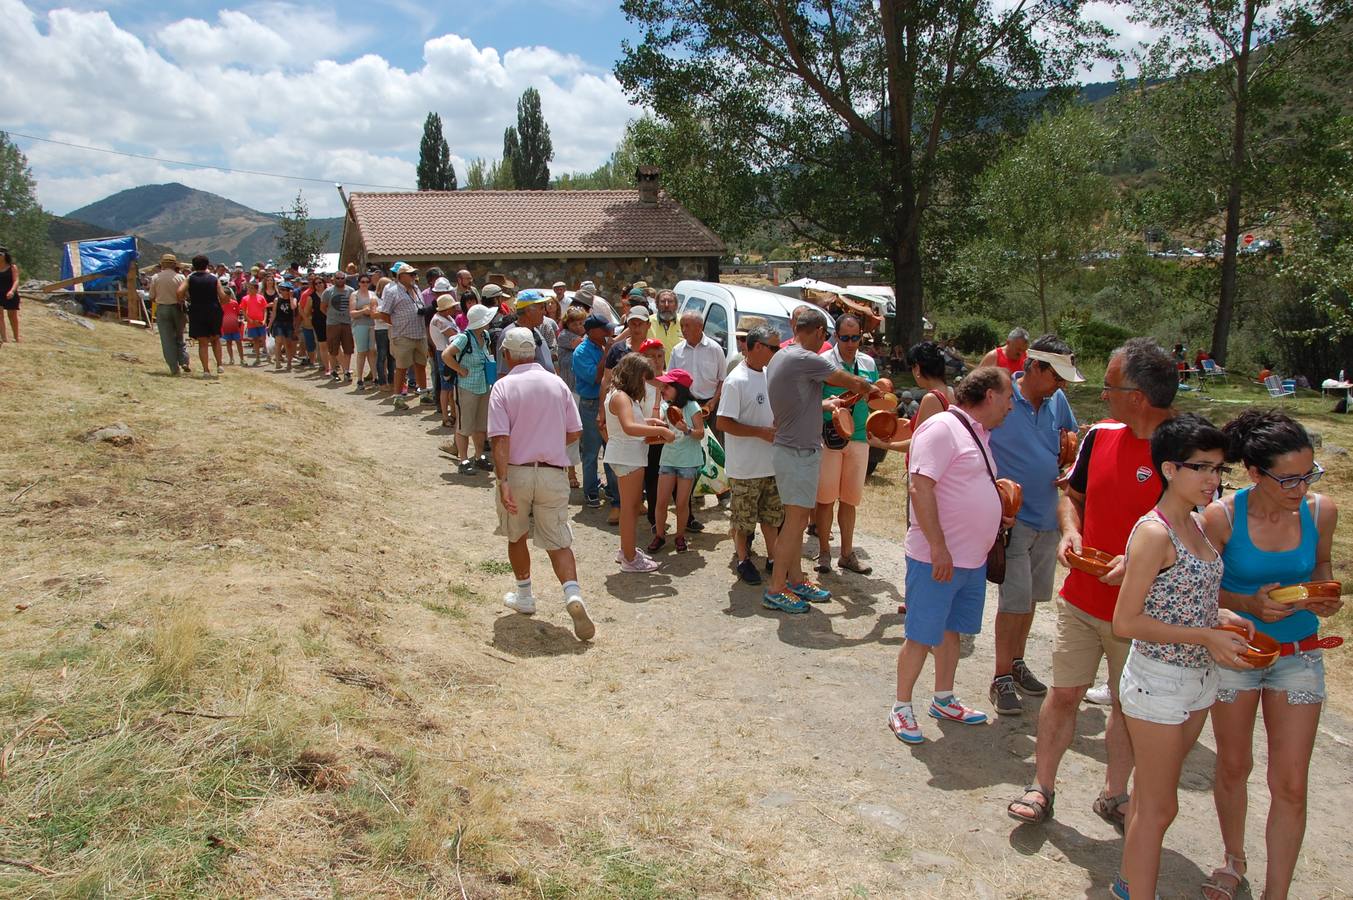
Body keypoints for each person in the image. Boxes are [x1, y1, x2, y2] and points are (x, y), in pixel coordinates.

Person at [1006, 337, 1178, 830]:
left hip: (1145, 613)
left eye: (1110, 386)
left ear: (1139, 396)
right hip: (1082, 599)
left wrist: (1143, 562)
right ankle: (1042, 787)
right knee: (1064, 695)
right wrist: (1071, 530)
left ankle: (1115, 795)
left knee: (1127, 706)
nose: (1103, 395)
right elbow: (1072, 496)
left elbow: (1202, 532)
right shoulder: (1100, 437)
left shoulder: (1186, 449)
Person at [1110, 414, 1256, 900]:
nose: (1213, 480)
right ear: (1169, 469)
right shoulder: (1154, 534)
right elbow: (1125, 622)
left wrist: (1222, 619)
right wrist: (1205, 635)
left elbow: (1179, 599)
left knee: (1153, 803)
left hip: (1196, 678)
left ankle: (1129, 885)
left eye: (1218, 469)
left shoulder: (1195, 522)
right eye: (1202, 468)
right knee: (1158, 807)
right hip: (1159, 682)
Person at [1199, 410, 1342, 900]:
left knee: (1291, 784)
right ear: (1255, 473)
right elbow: (1196, 593)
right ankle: (1233, 861)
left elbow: (1320, 565)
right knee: (1234, 766)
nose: (1301, 488)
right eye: (1289, 479)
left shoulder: (1322, 511)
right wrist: (1245, 603)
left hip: (1299, 656)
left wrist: (1324, 594)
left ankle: (1275, 893)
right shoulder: (1220, 518)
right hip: (1236, 655)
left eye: (1309, 475)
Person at [889, 367, 1014, 744]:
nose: (1011, 406)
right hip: (936, 557)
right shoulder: (943, 427)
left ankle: (943, 697)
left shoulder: (977, 434)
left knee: (950, 631)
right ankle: (901, 706)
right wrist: (939, 546)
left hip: (970, 559)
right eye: (1008, 397)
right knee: (920, 634)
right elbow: (919, 486)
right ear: (990, 395)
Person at [986, 336, 1083, 715]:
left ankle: (1017, 661)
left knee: (1029, 600)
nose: (1062, 385)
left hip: (1048, 517)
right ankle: (1001, 677)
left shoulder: (1058, 401)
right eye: (1057, 376)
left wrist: (1070, 467)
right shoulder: (1001, 394)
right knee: (1013, 602)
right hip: (1014, 520)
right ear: (1036, 368)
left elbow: (1070, 440)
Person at [763, 307, 876, 613]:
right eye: (825, 336)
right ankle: (776, 588)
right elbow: (850, 380)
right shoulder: (805, 358)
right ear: (817, 333)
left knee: (797, 522)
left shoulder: (782, 357)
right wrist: (871, 387)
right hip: (797, 452)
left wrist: (826, 404)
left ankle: (797, 579)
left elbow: (799, 400)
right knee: (795, 522)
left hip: (794, 449)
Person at [489, 326, 594, 641]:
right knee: (559, 541)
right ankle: (573, 594)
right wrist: (549, 443)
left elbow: (500, 440)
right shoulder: (557, 383)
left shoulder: (503, 386)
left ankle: (525, 595)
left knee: (516, 532)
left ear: (506, 355)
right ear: (535, 352)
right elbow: (575, 432)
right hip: (552, 471)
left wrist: (503, 479)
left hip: (517, 471)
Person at [717, 324, 783, 586]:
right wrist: (759, 432)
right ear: (757, 347)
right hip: (745, 468)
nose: (777, 352)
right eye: (774, 348)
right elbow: (723, 422)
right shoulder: (737, 380)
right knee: (743, 521)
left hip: (770, 464)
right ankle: (743, 560)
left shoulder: (769, 375)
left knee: (771, 516)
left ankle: (773, 558)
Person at [814, 314, 879, 576]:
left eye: (855, 338)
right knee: (826, 498)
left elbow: (874, 399)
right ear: (836, 336)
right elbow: (813, 399)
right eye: (845, 338)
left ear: (861, 335)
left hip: (860, 437)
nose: (851, 343)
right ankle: (824, 553)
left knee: (850, 499)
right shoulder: (824, 362)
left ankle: (847, 553)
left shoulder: (868, 362)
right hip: (831, 436)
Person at [605, 353, 674, 573]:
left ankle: (626, 550)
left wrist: (650, 422)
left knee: (632, 507)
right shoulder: (621, 397)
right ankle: (629, 557)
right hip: (627, 456)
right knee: (630, 508)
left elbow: (631, 422)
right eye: (643, 379)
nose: (644, 384)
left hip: (629, 455)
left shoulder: (621, 395)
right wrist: (660, 429)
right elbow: (628, 427)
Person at [648, 369, 705, 554]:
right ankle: (659, 535)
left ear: (678, 388)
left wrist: (686, 429)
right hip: (669, 459)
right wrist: (658, 398)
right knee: (661, 501)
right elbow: (658, 424)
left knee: (681, 503)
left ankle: (680, 536)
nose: (663, 388)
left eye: (667, 386)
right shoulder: (666, 406)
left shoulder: (693, 407)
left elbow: (700, 434)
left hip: (687, 462)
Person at [443, 303, 496, 474]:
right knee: (464, 425)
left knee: (480, 425)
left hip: (482, 385)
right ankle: (464, 459)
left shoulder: (485, 335)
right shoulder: (464, 338)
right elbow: (446, 355)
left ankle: (478, 456)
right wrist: (459, 370)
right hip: (466, 387)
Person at [378, 262, 428, 410]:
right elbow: (384, 313)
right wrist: (397, 326)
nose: (414, 276)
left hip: (419, 333)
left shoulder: (416, 288)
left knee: (421, 364)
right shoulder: (393, 291)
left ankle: (424, 394)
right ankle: (398, 397)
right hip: (403, 335)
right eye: (411, 274)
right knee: (401, 367)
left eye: (414, 274)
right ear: (401, 276)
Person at [573, 315, 611, 508]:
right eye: (603, 329)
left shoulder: (605, 345)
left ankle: (612, 490)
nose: (607, 332)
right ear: (592, 331)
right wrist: (608, 354)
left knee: (611, 449)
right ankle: (590, 492)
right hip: (591, 404)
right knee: (591, 452)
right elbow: (596, 378)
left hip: (609, 403)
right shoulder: (581, 352)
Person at [181, 254, 225, 378]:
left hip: (197, 310)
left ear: (194, 266)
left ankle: (206, 370)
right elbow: (222, 296)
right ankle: (220, 364)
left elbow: (179, 292)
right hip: (213, 309)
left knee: (203, 342)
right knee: (216, 338)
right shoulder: (213, 278)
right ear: (207, 264)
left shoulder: (190, 278)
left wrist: (185, 299)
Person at [150, 253, 189, 375]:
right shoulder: (180, 277)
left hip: (162, 308)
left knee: (167, 339)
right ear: (174, 265)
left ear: (162, 264)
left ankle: (173, 367)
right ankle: (183, 360)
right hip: (178, 307)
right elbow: (186, 295)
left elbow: (151, 296)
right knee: (179, 336)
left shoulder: (155, 277)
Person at [322, 272, 355, 382]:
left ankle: (346, 371)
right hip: (333, 324)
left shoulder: (351, 291)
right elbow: (323, 307)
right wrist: (330, 316)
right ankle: (333, 371)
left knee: (348, 348)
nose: (340, 280)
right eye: (338, 278)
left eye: (342, 278)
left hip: (347, 323)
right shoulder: (328, 292)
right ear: (334, 279)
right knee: (333, 349)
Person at [350, 273, 378, 389]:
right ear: (359, 283)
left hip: (372, 325)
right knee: (362, 352)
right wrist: (363, 311)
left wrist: (370, 311)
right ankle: (360, 379)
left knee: (372, 351)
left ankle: (375, 378)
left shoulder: (373, 295)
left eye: (367, 282)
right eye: (362, 282)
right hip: (360, 325)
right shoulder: (354, 295)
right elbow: (352, 313)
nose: (365, 284)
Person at [268, 281, 298, 372]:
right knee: (278, 341)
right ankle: (278, 361)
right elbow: (274, 313)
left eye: (284, 289)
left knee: (288, 344)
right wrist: (269, 325)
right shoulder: (277, 300)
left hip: (289, 323)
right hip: (279, 323)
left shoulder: (294, 299)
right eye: (281, 289)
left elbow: (293, 307)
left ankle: (289, 362)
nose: (282, 291)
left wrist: (291, 296)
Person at [239, 280, 269, 367]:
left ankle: (267, 354)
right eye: (249, 288)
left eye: (252, 288)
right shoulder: (245, 298)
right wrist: (248, 319)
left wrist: (264, 320)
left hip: (260, 322)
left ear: (256, 289)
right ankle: (257, 357)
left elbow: (265, 310)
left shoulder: (261, 298)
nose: (250, 290)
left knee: (263, 339)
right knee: (255, 340)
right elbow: (243, 310)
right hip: (251, 322)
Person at [652, 289, 683, 356]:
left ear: (676, 306)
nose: (666, 305)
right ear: (657, 305)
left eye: (670, 301)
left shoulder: (684, 322)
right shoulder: (647, 322)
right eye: (662, 301)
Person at [220, 278, 243, 365]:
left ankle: (241, 358)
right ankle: (231, 358)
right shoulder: (221, 305)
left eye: (226, 296)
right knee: (228, 343)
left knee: (239, 342)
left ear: (230, 296)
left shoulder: (234, 303)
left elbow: (239, 314)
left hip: (235, 327)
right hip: (226, 327)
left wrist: (240, 324)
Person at [0, 247, 20, 343]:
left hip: (10, 294)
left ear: (5, 256)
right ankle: (4, 338)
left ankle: (16, 337)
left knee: (12, 316)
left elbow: (16, 280)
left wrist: (12, 291)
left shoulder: (12, 267)